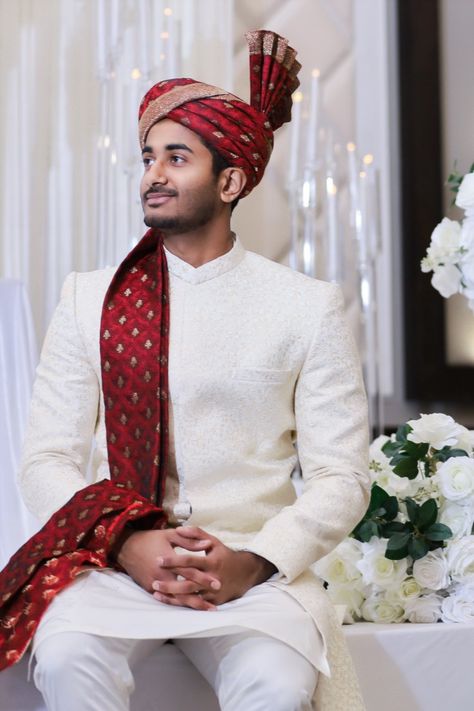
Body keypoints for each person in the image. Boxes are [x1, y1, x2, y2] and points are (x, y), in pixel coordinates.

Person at [0, 30, 369, 710]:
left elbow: (342, 477)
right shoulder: (91, 298)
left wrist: (252, 560)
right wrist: (127, 542)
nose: (153, 175)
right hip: (115, 564)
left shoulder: (306, 308)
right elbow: (46, 456)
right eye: (148, 157)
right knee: (68, 655)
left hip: (252, 568)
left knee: (276, 681)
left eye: (176, 157)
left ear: (230, 181)